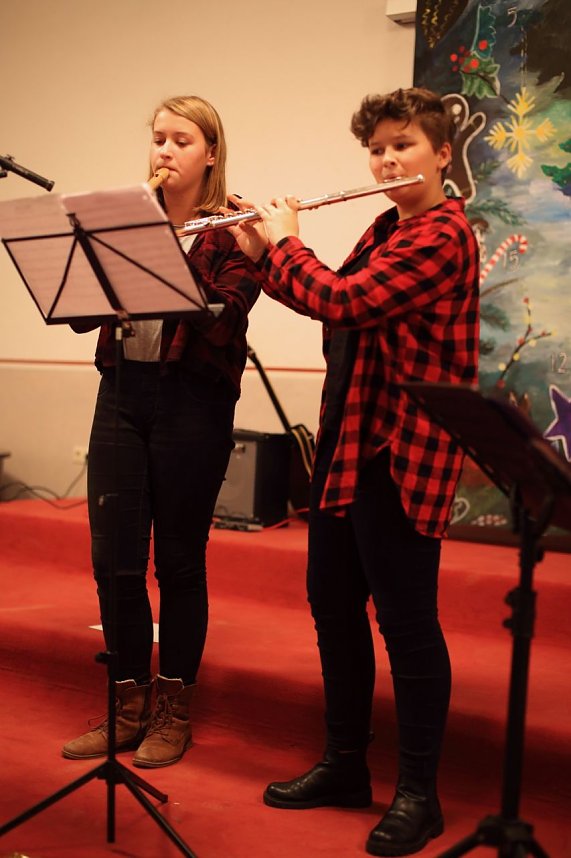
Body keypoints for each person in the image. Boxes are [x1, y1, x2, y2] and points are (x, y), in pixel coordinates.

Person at [228, 87, 479, 856]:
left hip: (401, 454)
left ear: (441, 154)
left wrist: (283, 246)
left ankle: (418, 793)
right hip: (349, 447)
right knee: (332, 610)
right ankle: (344, 765)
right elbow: (332, 304)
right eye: (375, 149)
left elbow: (341, 299)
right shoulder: (386, 225)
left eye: (401, 145)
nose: (384, 160)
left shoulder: (442, 234)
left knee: (404, 626)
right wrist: (258, 256)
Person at [62, 95, 261, 768]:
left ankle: (174, 712)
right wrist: (104, 254)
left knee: (177, 560)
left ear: (210, 152)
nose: (164, 151)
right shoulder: (125, 225)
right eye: (157, 139)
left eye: (180, 140)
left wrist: (158, 262)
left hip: (191, 403)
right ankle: (125, 704)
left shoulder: (233, 230)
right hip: (121, 392)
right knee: (112, 561)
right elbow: (81, 316)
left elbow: (227, 313)